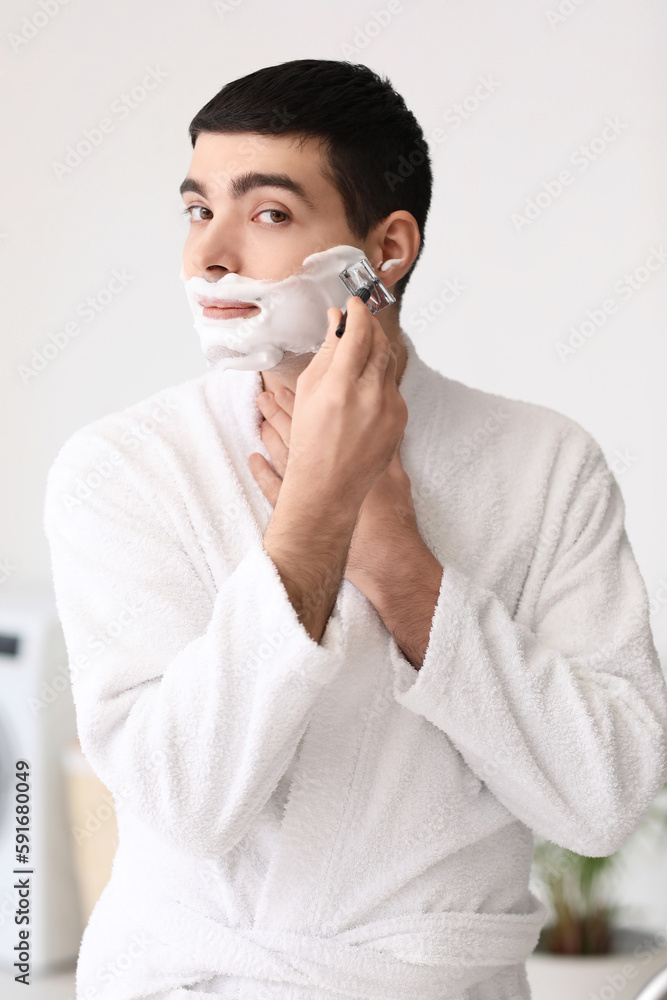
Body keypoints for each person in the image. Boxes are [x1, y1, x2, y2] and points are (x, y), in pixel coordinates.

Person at [43, 59, 667, 1000]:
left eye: (266, 214)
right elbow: (183, 807)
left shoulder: (546, 465)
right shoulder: (121, 467)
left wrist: (400, 564)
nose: (207, 256)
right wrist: (319, 516)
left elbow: (604, 797)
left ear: (386, 249)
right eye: (194, 209)